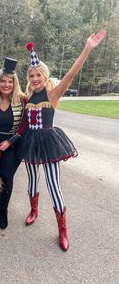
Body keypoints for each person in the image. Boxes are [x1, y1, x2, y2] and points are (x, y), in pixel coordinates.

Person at [17, 30, 106, 251]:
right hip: (30, 144)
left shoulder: (53, 94)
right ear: (28, 78)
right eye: (31, 75)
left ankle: (62, 230)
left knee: (53, 185)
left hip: (48, 144)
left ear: (45, 76)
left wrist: (87, 48)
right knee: (32, 181)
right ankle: (34, 210)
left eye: (39, 75)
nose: (35, 79)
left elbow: (72, 73)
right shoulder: (27, 99)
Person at [0, 57, 26, 229]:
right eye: (3, 81)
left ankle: (4, 211)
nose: (7, 85)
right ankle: (0, 206)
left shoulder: (22, 101)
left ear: (14, 83)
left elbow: (25, 125)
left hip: (12, 146)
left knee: (6, 178)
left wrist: (10, 142)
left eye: (10, 81)